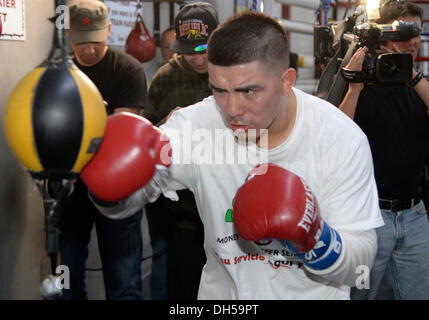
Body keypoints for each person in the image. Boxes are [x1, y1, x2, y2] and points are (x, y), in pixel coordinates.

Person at [83, 11, 384, 299]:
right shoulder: (196, 126)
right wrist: (108, 189)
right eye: (219, 91)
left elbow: (361, 264)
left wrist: (314, 237)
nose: (231, 110)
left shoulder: (340, 138)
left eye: (248, 91)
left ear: (286, 81)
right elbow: (130, 201)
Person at [338, 0, 429, 300]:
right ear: (385, 35)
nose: (413, 41)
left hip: (414, 216)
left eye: (418, 32)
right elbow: (336, 135)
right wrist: (354, 86)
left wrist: (413, 76)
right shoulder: (362, 79)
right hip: (369, 217)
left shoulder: (418, 84)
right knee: (358, 297)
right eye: (405, 32)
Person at [58, 0, 147, 300]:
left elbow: (120, 138)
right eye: (82, 42)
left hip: (116, 187)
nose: (89, 50)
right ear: (68, 34)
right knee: (66, 279)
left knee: (123, 282)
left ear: (109, 30)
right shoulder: (60, 73)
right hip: (70, 192)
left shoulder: (127, 70)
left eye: (96, 40)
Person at [143, 2, 219, 300]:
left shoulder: (232, 73)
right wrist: (166, 124)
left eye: (203, 50)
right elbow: (145, 134)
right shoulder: (165, 77)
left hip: (225, 204)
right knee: (182, 284)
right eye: (189, 50)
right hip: (180, 212)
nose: (198, 59)